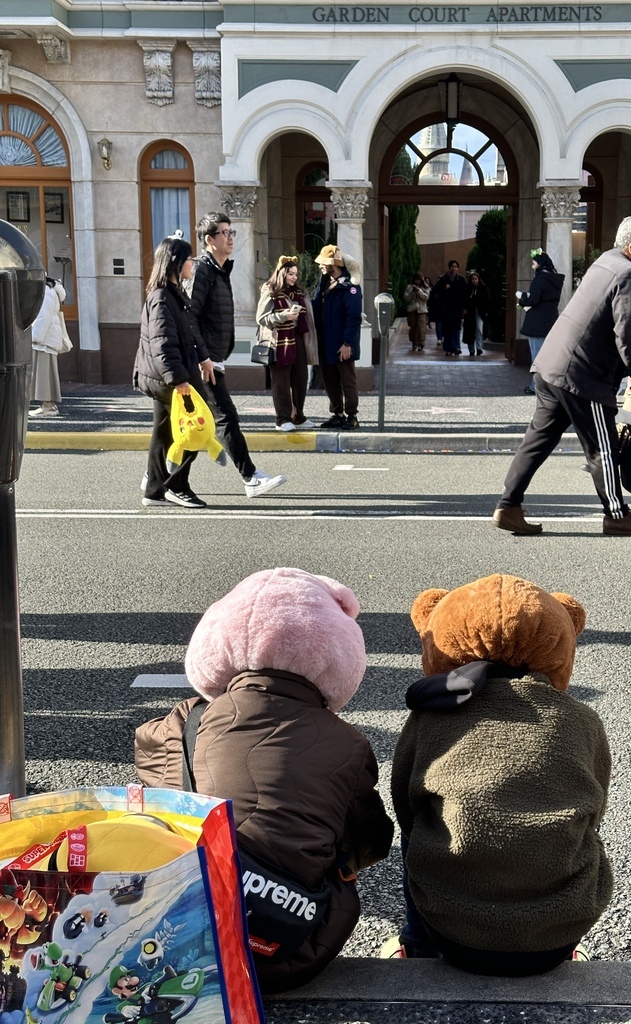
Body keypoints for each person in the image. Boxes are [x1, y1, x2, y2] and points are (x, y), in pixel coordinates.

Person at [135, 567, 394, 992]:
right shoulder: (350, 744)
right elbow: (371, 841)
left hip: (174, 932)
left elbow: (149, 760)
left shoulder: (187, 721)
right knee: (339, 861)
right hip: (289, 952)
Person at [388, 574, 612, 971]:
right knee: (578, 829)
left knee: (419, 828)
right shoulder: (581, 719)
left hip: (450, 929)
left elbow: (404, 805)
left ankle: (417, 946)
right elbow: (595, 806)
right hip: (555, 937)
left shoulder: (430, 714)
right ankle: (568, 943)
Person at [493, 214, 631, 536]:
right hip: (583, 375)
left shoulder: (606, 261)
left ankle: (508, 505)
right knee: (603, 446)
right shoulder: (629, 273)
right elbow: (627, 329)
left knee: (538, 440)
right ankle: (616, 514)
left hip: (552, 366)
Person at [186, 211, 286, 497]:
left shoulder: (219, 270)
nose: (230, 238)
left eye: (232, 232)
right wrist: (203, 357)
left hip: (211, 358)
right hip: (202, 361)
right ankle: (251, 477)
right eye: (224, 233)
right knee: (225, 417)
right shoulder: (202, 270)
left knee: (191, 424)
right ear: (209, 240)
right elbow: (190, 318)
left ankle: (156, 479)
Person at [133, 236, 207, 508]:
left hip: (166, 377)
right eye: (190, 259)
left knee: (164, 433)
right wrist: (178, 381)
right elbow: (162, 343)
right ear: (176, 262)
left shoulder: (171, 293)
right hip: (169, 379)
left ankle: (154, 489)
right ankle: (175, 485)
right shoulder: (162, 297)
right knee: (195, 429)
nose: (193, 264)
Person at [256, 255, 318, 432]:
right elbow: (261, 318)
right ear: (282, 273)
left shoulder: (298, 292)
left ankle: (297, 415)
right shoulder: (270, 291)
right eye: (291, 274)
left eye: (296, 274)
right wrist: (284, 316)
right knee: (281, 381)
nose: (294, 277)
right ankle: (282, 419)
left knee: (300, 378)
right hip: (279, 340)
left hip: (297, 338)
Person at [312, 244, 363, 430]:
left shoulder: (351, 287)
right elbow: (316, 306)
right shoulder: (325, 282)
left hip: (342, 343)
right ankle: (337, 414)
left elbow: (353, 317)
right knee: (330, 380)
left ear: (335, 263)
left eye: (323, 263)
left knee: (347, 380)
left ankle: (352, 416)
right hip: (326, 342)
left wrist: (347, 343)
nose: (320, 266)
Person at [516, 250, 565, 393]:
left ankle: (536, 386)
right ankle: (545, 386)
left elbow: (534, 299)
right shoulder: (556, 279)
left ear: (540, 264)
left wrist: (523, 299)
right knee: (548, 356)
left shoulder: (540, 278)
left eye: (534, 263)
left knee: (536, 357)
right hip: (550, 319)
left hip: (537, 321)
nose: (532, 266)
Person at [29, 276, 70, 417]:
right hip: (47, 338)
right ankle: (47, 405)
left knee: (44, 374)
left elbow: (43, 316)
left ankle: (48, 406)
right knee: (45, 373)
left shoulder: (45, 291)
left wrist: (35, 337)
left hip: (44, 339)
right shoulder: (49, 290)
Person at [429, 259, 467, 357]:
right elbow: (434, 292)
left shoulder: (461, 280)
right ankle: (448, 348)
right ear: (449, 268)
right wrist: (444, 289)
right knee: (447, 329)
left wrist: (464, 307)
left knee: (457, 328)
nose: (453, 268)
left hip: (457, 308)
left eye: (455, 266)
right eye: (452, 266)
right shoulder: (444, 280)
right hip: (446, 309)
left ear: (458, 268)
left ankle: (456, 347)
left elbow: (465, 295)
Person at [462, 271, 490, 357]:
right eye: (473, 279)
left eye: (476, 279)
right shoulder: (467, 289)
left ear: (478, 279)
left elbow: (487, 300)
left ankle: (479, 348)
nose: (474, 281)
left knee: (479, 329)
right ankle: (471, 349)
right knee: (470, 330)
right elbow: (464, 299)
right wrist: (465, 308)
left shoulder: (483, 288)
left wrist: (484, 310)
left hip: (479, 312)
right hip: (469, 313)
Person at [404, 272, 430, 351]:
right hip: (412, 309)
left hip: (422, 310)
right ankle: (414, 342)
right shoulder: (409, 287)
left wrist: (419, 291)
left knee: (421, 327)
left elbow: (426, 298)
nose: (416, 282)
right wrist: (412, 292)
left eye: (418, 280)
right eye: (415, 280)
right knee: (413, 327)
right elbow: (406, 298)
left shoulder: (425, 288)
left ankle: (421, 343)